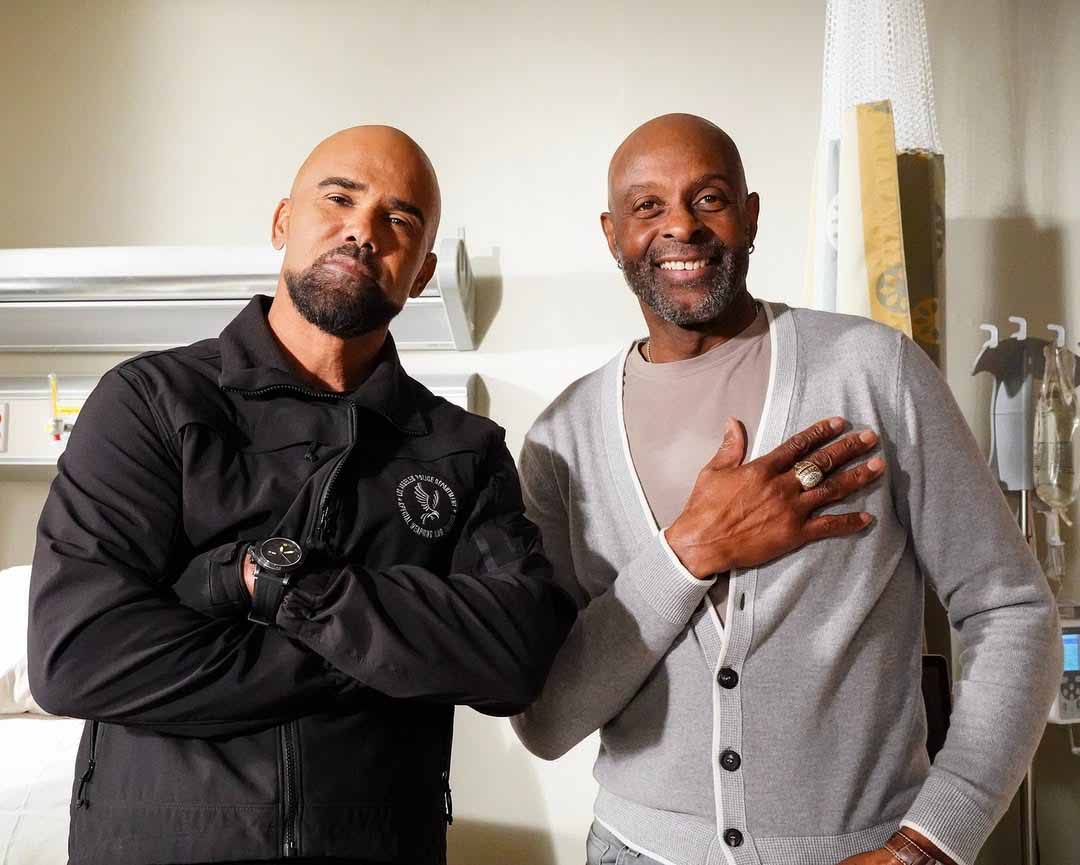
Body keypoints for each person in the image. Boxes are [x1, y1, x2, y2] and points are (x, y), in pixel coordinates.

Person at [511, 114, 1061, 865]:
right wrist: (688, 552)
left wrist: (934, 838)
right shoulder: (561, 439)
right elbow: (546, 722)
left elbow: (1011, 608)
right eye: (648, 206)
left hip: (864, 848)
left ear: (750, 215)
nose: (681, 225)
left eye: (709, 198)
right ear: (613, 234)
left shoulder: (872, 370)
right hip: (635, 851)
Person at [28, 125, 576, 865]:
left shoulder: (462, 450)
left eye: (399, 218)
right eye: (339, 199)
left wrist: (270, 583)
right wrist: (389, 658)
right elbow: (78, 656)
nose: (363, 230)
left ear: (421, 272)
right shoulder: (151, 402)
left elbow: (517, 655)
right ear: (283, 221)